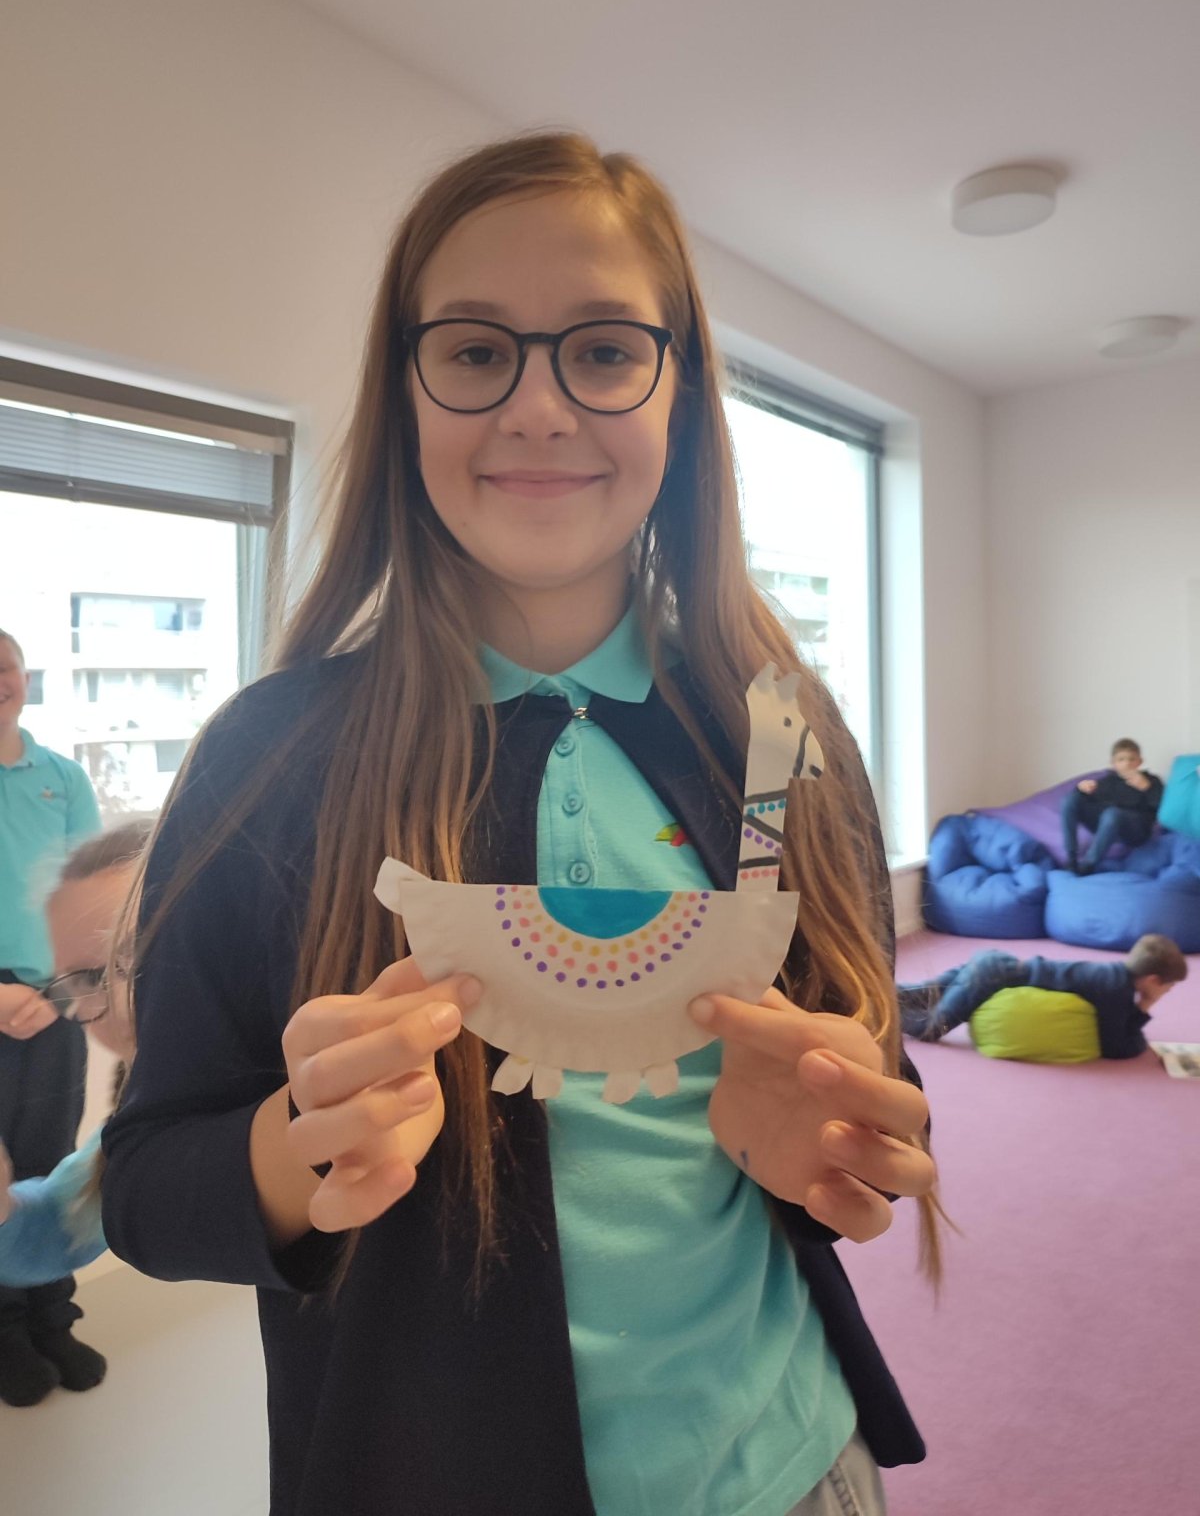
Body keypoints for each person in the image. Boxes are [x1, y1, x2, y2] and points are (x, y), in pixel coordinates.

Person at [101, 132, 942, 1516]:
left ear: (681, 393)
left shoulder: (782, 735)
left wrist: (841, 1146)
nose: (540, 410)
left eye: (604, 351)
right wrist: (300, 1147)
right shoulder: (267, 759)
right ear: (405, 389)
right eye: (478, 351)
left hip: (793, 1465)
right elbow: (143, 1187)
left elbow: (871, 1066)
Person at [0, 819, 151, 1404]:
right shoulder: (141, 1106)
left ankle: (51, 1325)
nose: (117, 1006)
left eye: (138, 956)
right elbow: (71, 1216)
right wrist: (6, 1213)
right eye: (86, 980)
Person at [0, 629, 103, 1407]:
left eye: (4, 667)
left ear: (25, 678)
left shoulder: (62, 779)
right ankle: (5, 1332)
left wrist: (63, 996)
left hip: (57, 1001)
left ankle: (52, 1319)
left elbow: (89, 901)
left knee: (53, 1163)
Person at [898, 934, 1187, 1057]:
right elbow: (1116, 1047)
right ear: (1152, 980)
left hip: (994, 962)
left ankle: (883, 994)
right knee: (932, 1028)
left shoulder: (1113, 975)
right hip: (993, 976)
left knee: (924, 992)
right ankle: (885, 1014)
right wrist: (1145, 1007)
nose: (1167, 992)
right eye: (1168, 987)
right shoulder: (1117, 991)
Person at [1061, 738, 1164, 874]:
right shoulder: (1107, 781)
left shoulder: (1151, 780)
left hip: (1135, 830)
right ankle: (1071, 858)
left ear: (1140, 761)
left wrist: (1147, 788)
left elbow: (1162, 809)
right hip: (1106, 825)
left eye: (1132, 759)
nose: (1127, 763)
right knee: (1070, 800)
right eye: (1121, 759)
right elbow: (1085, 801)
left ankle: (1088, 865)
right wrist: (1081, 789)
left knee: (1113, 813)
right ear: (1113, 763)